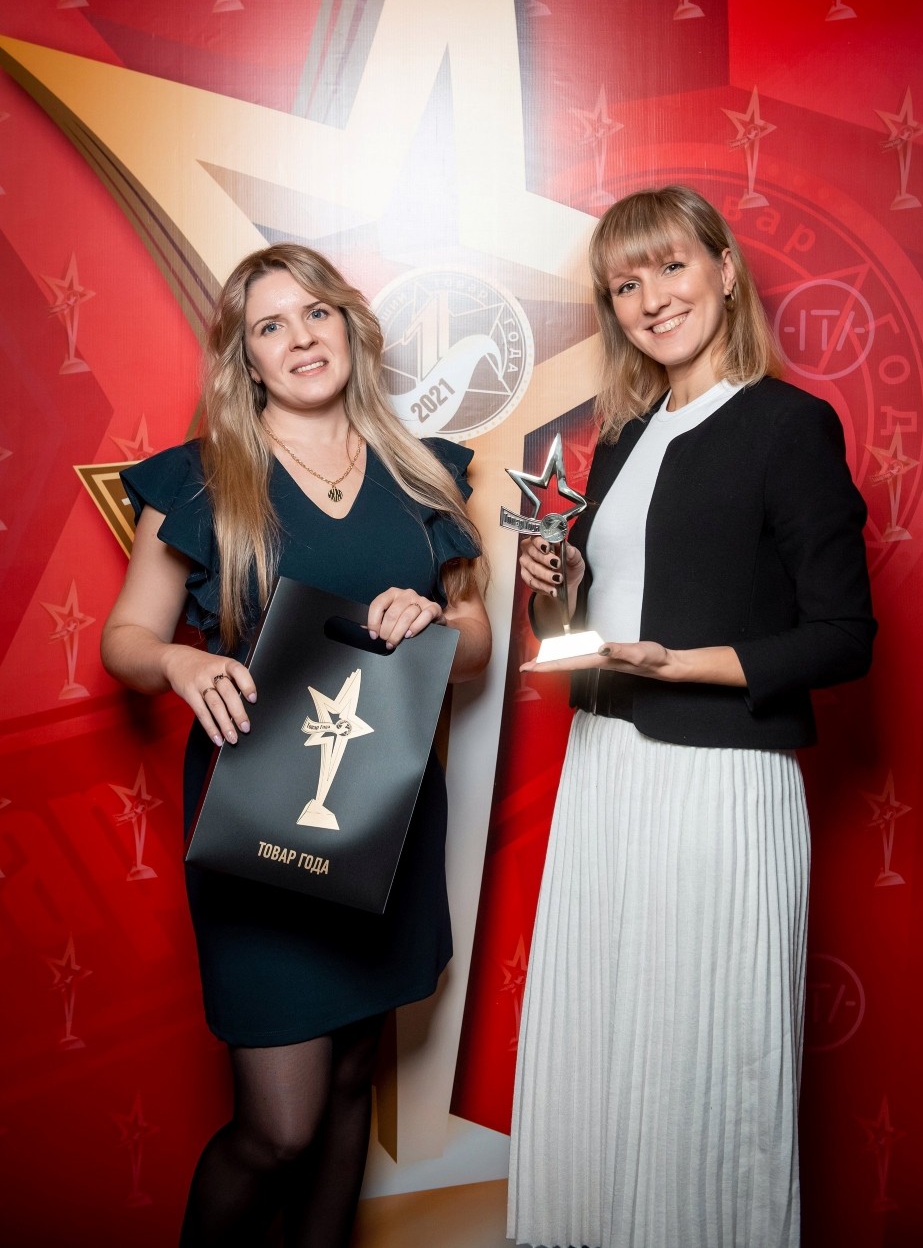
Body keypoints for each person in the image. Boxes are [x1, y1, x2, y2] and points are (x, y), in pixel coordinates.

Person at [507, 186, 875, 1248]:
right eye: (626, 284)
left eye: (671, 266)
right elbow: (589, 628)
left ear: (723, 268)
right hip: (605, 768)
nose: (652, 298)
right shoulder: (623, 438)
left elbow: (844, 635)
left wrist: (686, 664)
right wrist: (556, 587)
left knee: (704, 1058)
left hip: (717, 777)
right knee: (604, 1044)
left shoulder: (788, 425)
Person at [101, 243, 491, 1248]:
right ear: (247, 357)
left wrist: (435, 623)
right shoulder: (200, 478)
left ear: (349, 325)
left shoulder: (422, 469)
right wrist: (179, 662)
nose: (301, 338)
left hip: (386, 817)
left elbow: (477, 643)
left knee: (354, 1078)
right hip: (256, 825)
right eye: (270, 325)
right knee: (279, 1128)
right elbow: (126, 637)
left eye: (316, 313)